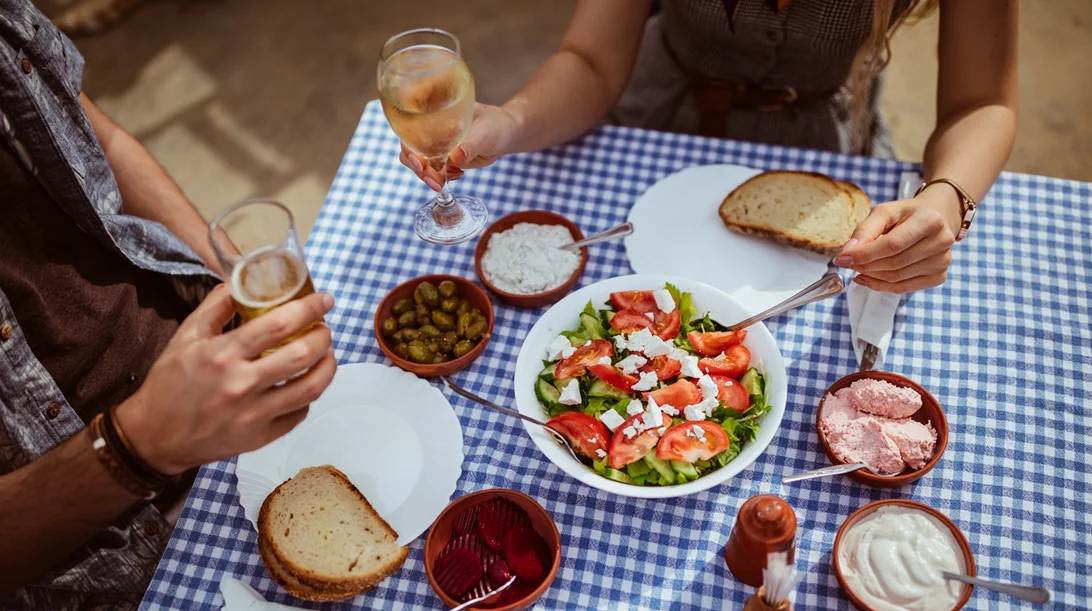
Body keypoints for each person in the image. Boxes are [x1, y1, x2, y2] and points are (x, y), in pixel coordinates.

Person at [0, 2, 337, 609]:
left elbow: (96, 132)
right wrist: (141, 444)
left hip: (207, 383)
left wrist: (229, 278)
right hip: (111, 549)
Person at [401, 0, 1017, 294]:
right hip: (654, 110)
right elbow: (590, 61)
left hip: (821, 138)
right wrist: (509, 122)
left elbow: (981, 103)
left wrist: (946, 198)